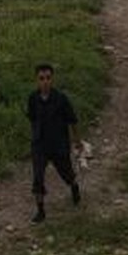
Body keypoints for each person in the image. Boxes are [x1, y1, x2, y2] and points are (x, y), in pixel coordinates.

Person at [26, 63, 83, 223]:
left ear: (53, 79)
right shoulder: (33, 98)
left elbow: (72, 120)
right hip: (40, 145)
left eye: (48, 78)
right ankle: (41, 211)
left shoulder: (61, 99)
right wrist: (34, 139)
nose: (45, 82)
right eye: (41, 78)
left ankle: (74, 186)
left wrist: (77, 141)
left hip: (58, 144)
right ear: (36, 80)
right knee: (38, 177)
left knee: (66, 173)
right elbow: (32, 119)